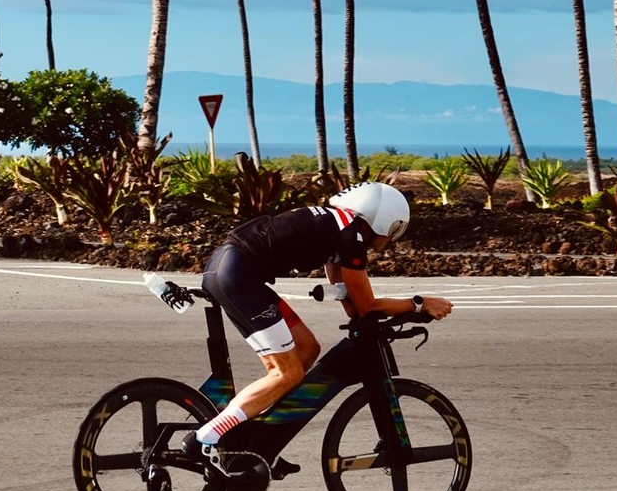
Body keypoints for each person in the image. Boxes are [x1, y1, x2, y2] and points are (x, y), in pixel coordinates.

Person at [183, 181, 453, 474]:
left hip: (234, 269)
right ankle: (205, 438)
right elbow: (367, 305)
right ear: (383, 218)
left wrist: (362, 320)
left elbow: (344, 290)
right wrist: (419, 303)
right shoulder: (351, 235)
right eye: (395, 229)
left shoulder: (337, 226)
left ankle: (261, 439)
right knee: (285, 372)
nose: (391, 239)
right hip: (238, 276)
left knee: (307, 349)